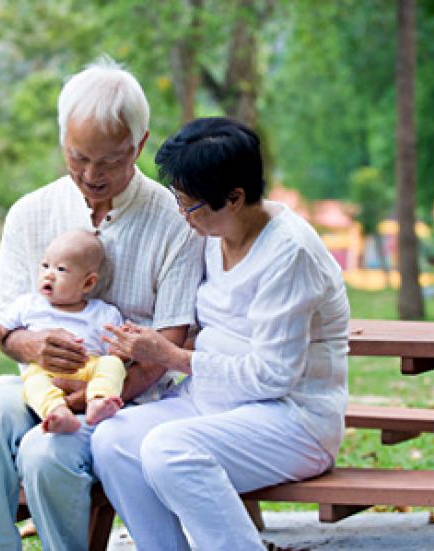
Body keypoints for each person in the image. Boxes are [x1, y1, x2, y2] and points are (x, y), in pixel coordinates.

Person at [0, 57, 204, 551]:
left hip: (122, 400)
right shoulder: (30, 213)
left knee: (47, 453)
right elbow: (8, 329)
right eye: (78, 156)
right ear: (63, 139)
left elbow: (169, 344)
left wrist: (96, 400)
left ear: (141, 144)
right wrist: (31, 346)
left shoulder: (174, 222)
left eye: (110, 160)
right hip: (38, 385)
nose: (91, 173)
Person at [92, 117, 350, 550]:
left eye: (190, 205)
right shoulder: (213, 233)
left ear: (234, 198)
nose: (182, 214)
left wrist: (171, 357)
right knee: (113, 440)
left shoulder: (291, 254)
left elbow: (273, 376)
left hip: (293, 419)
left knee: (169, 450)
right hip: (213, 404)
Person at [0, 230, 128, 433]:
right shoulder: (28, 305)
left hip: (88, 371)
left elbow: (116, 351)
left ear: (88, 283)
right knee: (33, 383)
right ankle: (56, 412)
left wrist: (123, 352)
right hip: (43, 371)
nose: (49, 273)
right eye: (45, 265)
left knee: (112, 364)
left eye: (61, 269)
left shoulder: (103, 313)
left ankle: (98, 401)